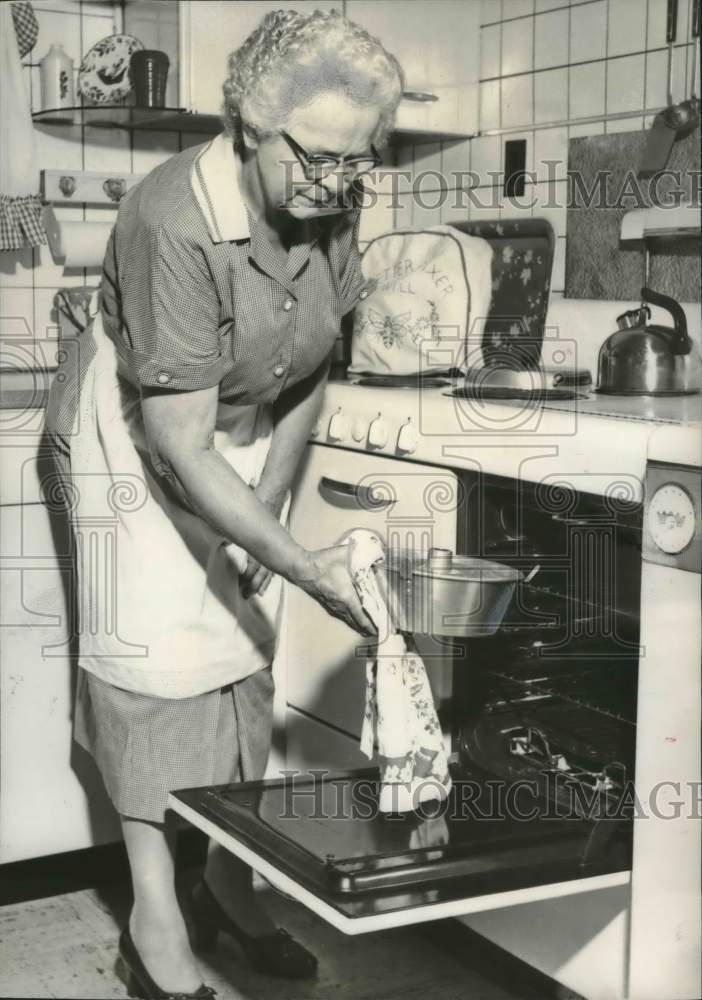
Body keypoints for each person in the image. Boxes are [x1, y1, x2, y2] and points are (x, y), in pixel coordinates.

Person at [45, 8, 403, 999]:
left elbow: (306, 369)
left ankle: (229, 885)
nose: (338, 183)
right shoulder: (172, 217)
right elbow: (177, 443)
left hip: (236, 433)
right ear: (250, 123)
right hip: (137, 430)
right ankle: (155, 919)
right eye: (320, 158)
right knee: (155, 664)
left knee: (244, 644)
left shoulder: (331, 198)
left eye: (358, 162)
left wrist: (275, 509)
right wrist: (300, 556)